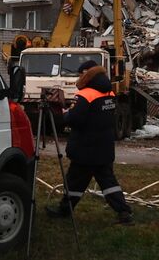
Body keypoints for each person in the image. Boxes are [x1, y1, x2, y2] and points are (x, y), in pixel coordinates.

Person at [45, 61, 132, 225]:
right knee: (108, 182)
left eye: (80, 74)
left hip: (85, 148)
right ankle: (124, 212)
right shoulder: (109, 93)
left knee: (74, 182)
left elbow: (76, 119)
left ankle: (64, 210)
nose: (79, 77)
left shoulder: (86, 95)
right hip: (104, 146)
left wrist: (65, 114)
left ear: (87, 74)